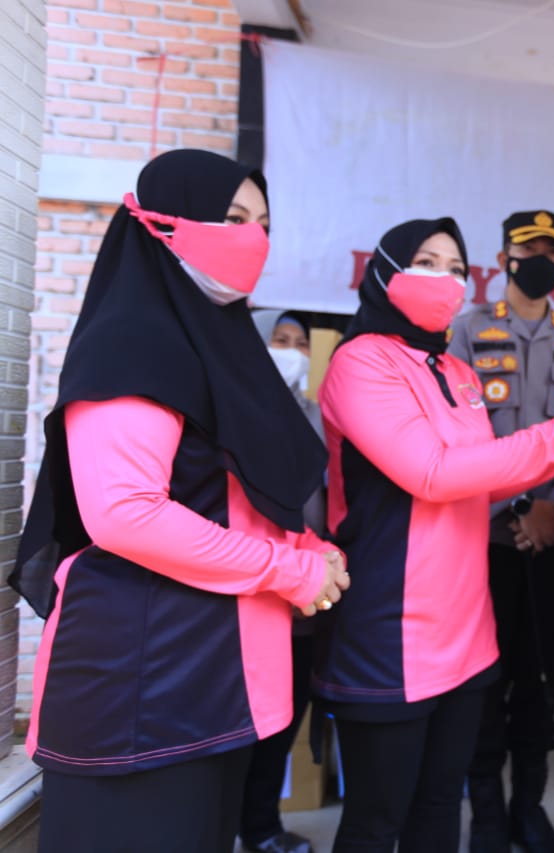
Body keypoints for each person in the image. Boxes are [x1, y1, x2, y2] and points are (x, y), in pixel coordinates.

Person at [12, 149, 348, 853]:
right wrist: (288, 571)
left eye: (263, 222)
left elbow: (233, 492)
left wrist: (306, 548)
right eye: (232, 218)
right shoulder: (131, 342)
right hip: (144, 690)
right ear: (164, 222)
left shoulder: (220, 346)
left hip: (216, 678)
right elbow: (125, 511)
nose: (253, 238)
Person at [312, 218, 554, 853]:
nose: (445, 278)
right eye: (427, 261)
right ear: (387, 272)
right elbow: (432, 472)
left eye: (455, 267)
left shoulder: (457, 370)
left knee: (434, 815)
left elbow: (486, 477)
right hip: (392, 631)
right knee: (376, 821)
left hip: (466, 635)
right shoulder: (360, 361)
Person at [448, 210, 554, 852]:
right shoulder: (465, 332)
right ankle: (487, 815)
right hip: (485, 539)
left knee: (542, 681)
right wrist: (519, 508)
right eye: (530, 249)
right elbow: (458, 440)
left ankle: (529, 809)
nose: (542, 259)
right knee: (485, 679)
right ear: (505, 259)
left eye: (553, 251)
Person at [238, 310, 325, 853]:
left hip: (307, 598)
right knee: (238, 728)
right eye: (279, 340)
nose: (290, 350)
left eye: (299, 343)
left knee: (283, 722)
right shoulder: (232, 408)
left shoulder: (315, 414)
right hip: (247, 597)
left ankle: (262, 827)